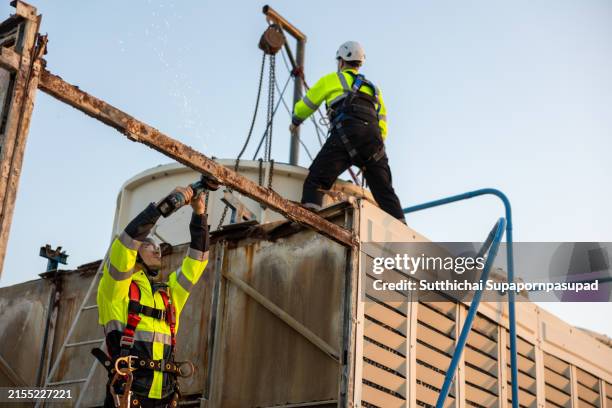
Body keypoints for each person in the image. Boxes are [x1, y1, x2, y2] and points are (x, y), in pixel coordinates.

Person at [95, 186, 210, 407]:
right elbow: (126, 242)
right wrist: (165, 205)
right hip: (128, 397)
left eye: (159, 247)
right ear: (135, 253)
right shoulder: (116, 289)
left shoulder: (168, 295)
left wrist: (199, 214)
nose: (157, 250)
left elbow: (198, 261)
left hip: (166, 398)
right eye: (150, 245)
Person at [290, 41, 406, 223]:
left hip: (347, 135)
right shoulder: (374, 89)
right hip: (374, 144)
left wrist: (295, 120)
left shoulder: (331, 80)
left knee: (316, 182)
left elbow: (304, 107)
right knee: (385, 194)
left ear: (341, 62)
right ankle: (402, 232)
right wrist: (368, 153)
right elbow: (382, 124)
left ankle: (309, 224)